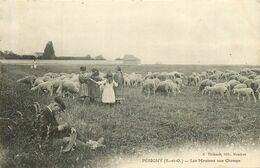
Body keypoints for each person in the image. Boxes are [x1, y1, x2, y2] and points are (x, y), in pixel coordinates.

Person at [34, 97, 104, 150]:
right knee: (69, 140)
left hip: (53, 135)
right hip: (48, 140)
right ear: (55, 105)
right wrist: (57, 128)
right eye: (59, 110)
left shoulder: (49, 112)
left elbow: (53, 125)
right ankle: (92, 146)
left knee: (71, 130)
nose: (58, 112)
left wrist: (68, 127)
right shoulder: (44, 112)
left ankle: (89, 142)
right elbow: (43, 130)